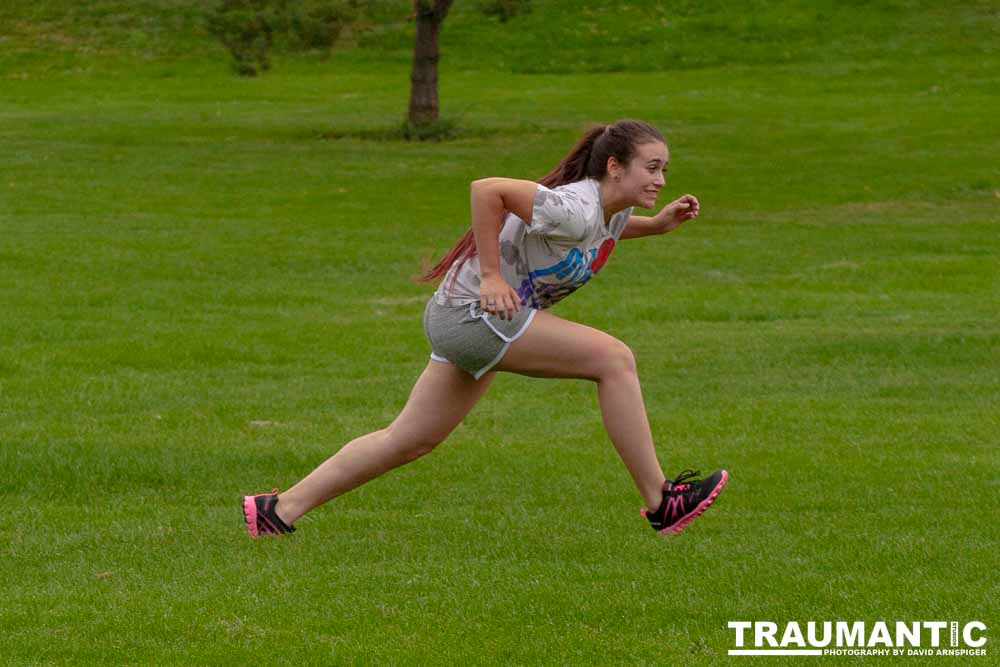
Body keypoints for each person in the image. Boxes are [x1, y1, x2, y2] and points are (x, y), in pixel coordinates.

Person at [243, 118, 728, 538]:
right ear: (615, 166)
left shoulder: (603, 211)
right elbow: (486, 189)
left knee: (410, 439)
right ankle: (662, 500)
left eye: (664, 168)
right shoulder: (574, 207)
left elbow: (602, 228)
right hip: (476, 316)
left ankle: (278, 511)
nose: (661, 179)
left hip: (467, 318)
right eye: (652, 167)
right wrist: (492, 275)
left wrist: (658, 225)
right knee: (613, 360)